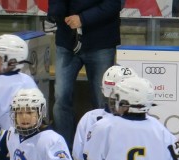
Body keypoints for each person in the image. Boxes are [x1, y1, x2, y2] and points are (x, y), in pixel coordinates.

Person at [48, 0, 123, 147]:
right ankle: (63, 150)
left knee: (102, 101)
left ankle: (99, 149)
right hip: (67, 41)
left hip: (101, 42)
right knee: (61, 98)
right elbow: (55, 4)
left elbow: (113, 4)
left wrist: (83, 19)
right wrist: (57, 14)